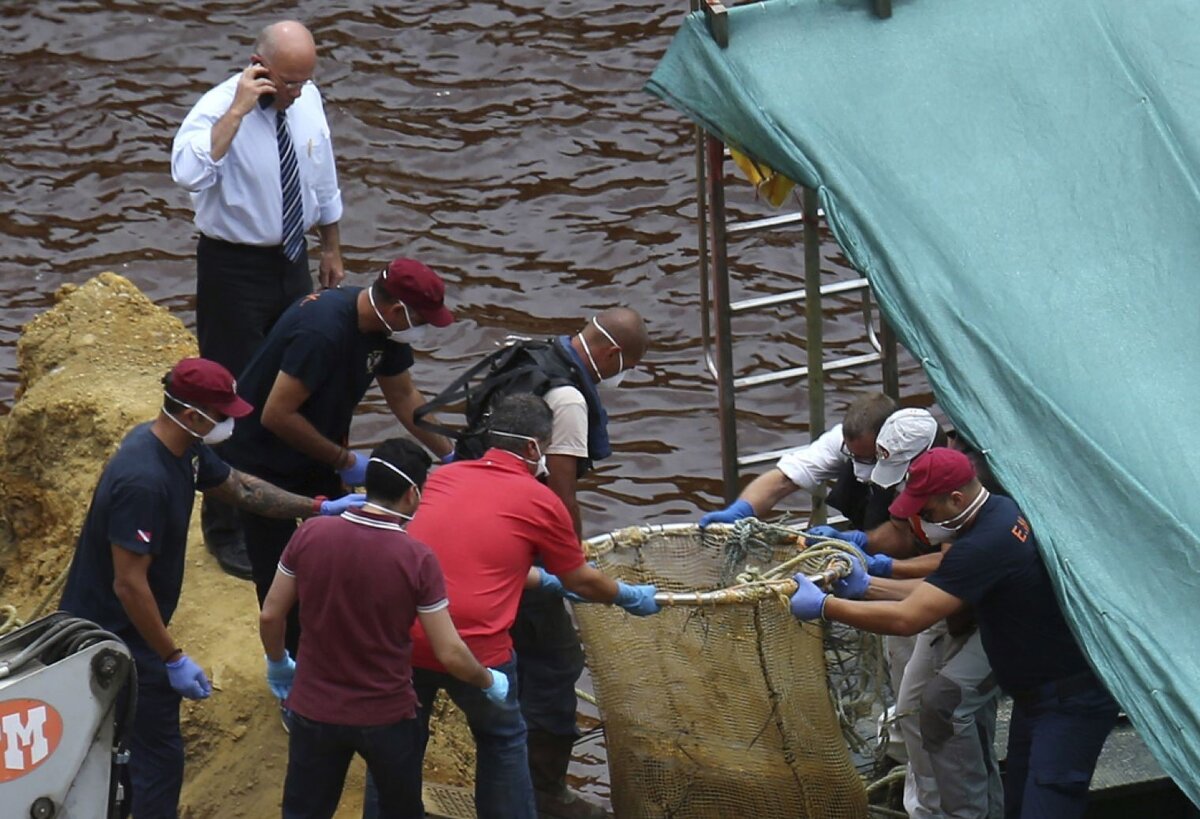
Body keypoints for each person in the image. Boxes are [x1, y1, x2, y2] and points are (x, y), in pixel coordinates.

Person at [57, 357, 361, 819]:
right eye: (223, 415)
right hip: (112, 639)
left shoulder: (185, 449)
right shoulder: (144, 479)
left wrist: (318, 507)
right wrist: (172, 658)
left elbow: (241, 489)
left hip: (127, 634)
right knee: (158, 760)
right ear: (193, 414)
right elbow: (129, 583)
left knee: (129, 753)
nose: (230, 423)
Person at [363, 394, 660, 819]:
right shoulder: (540, 500)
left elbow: (477, 561)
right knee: (501, 740)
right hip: (476, 652)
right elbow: (581, 578)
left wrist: (544, 579)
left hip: (403, 640)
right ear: (535, 448)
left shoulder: (443, 479)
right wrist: (627, 595)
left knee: (395, 744)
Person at [789, 448, 1119, 819]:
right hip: (1036, 697)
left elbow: (906, 620)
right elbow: (937, 591)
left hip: (1069, 701)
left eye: (926, 512)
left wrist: (825, 607)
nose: (921, 521)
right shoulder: (1001, 512)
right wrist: (866, 586)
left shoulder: (984, 544)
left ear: (956, 499)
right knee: (1016, 804)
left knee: (1047, 805)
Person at [172, 20, 344, 580]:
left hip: (290, 260)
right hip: (234, 266)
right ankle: (226, 527)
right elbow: (188, 172)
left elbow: (321, 176)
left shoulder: (308, 97)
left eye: (304, 81)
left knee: (297, 376)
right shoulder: (219, 108)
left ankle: (294, 497)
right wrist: (238, 112)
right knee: (233, 391)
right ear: (259, 66)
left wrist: (331, 245)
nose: (296, 92)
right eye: (287, 82)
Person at [259, 438, 508, 819]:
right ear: (412, 493)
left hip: (314, 708)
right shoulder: (417, 559)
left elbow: (271, 615)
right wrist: (487, 681)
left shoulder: (311, 534)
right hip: (386, 716)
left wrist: (279, 662)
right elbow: (450, 653)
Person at [220, 257, 456, 658]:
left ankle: (333, 646)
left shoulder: (384, 331)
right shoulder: (324, 331)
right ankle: (289, 666)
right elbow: (277, 414)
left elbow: (403, 397)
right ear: (399, 309)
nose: (422, 331)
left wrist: (452, 453)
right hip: (262, 458)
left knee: (338, 554)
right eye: (422, 320)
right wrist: (346, 462)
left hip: (317, 449)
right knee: (278, 568)